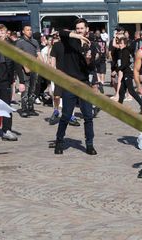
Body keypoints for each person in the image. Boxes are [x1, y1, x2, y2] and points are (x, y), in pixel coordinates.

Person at [53, 18, 98, 156]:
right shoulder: (69, 41)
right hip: (70, 83)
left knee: (88, 116)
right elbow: (61, 32)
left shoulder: (91, 45)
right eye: (77, 28)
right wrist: (76, 36)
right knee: (66, 115)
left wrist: (89, 59)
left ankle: (89, 144)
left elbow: (91, 68)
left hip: (83, 83)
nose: (79, 30)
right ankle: (59, 142)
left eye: (81, 29)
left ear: (87, 29)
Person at [0, 24, 23, 142]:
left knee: (6, 106)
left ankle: (6, 130)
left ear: (6, 33)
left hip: (5, 79)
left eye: (2, 33)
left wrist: (21, 81)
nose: (0, 35)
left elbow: (17, 64)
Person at [16, 25, 41, 117]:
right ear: (23, 31)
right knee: (25, 90)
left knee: (33, 89)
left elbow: (38, 54)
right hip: (24, 69)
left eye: (30, 30)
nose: (30, 31)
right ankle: (24, 109)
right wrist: (25, 66)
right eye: (27, 30)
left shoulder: (35, 42)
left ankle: (31, 107)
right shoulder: (20, 42)